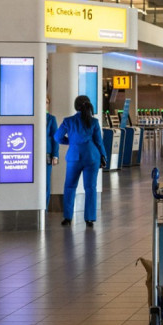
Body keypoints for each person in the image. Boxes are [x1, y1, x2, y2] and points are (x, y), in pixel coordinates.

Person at [55, 95, 105, 227]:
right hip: (92, 157)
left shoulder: (68, 121)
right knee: (90, 188)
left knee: (70, 186)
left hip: (74, 157)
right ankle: (90, 218)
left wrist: (70, 142)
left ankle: (68, 217)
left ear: (75, 106)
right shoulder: (94, 122)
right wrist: (103, 156)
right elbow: (99, 142)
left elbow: (57, 137)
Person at [45, 98, 59, 209]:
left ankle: (45, 205)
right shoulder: (31, 118)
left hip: (47, 154)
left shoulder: (51, 119)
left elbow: (55, 138)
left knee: (46, 182)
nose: (45, 104)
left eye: (47, 102)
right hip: (33, 155)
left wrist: (55, 155)